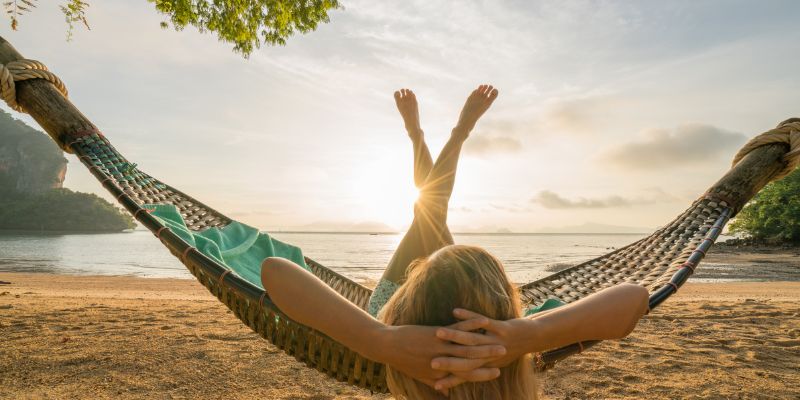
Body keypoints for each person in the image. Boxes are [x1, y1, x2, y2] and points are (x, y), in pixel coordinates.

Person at [261, 85, 650, 398]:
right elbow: (633, 297)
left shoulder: (407, 338)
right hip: (450, 306)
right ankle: (448, 134)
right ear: (508, 306)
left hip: (400, 310)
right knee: (430, 212)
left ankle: (435, 134)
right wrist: (530, 334)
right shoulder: (501, 344)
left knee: (430, 211)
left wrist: (380, 339)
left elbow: (274, 272)